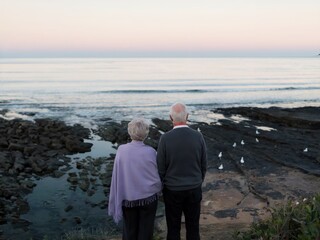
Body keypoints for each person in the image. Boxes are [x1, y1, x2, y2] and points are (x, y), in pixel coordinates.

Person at [157, 103, 207, 240]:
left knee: (173, 229)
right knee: (193, 228)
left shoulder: (165, 138)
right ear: (187, 117)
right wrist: (197, 180)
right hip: (194, 188)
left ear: (170, 118)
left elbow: (160, 168)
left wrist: (162, 187)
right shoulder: (198, 137)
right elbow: (204, 164)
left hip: (172, 190)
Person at [108, 118, 162, 240]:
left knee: (129, 231)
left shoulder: (121, 150)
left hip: (128, 199)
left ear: (130, 132)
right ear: (145, 134)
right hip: (149, 198)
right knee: (146, 231)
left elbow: (118, 174)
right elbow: (156, 174)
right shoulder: (151, 152)